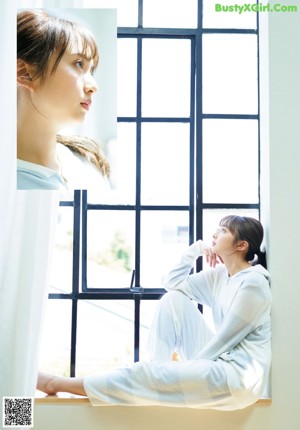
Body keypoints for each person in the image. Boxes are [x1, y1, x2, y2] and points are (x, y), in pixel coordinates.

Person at [37, 215, 271, 411]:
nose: (215, 234)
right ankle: (155, 372)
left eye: (223, 230)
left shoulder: (253, 284)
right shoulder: (220, 276)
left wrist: (175, 375)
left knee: (147, 374)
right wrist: (196, 250)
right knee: (172, 300)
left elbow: (225, 339)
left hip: (237, 377)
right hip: (219, 360)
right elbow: (172, 283)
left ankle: (57, 383)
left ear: (241, 245)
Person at [17, 9, 110, 190]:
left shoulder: (88, 161)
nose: (93, 86)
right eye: (79, 64)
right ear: (24, 73)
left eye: (91, 71)